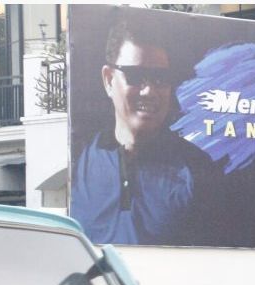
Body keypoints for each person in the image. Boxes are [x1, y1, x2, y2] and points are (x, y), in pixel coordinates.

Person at [71, 20, 219, 246]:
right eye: (136, 76)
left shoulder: (198, 170)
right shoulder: (78, 160)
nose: (149, 91)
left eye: (160, 78)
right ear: (109, 80)